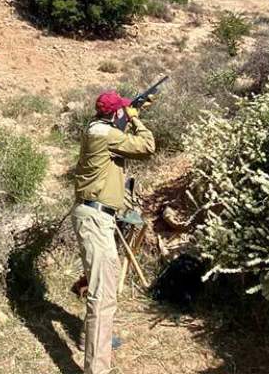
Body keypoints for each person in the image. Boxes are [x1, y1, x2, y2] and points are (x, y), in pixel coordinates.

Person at [72, 90, 156, 374]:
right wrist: (135, 120)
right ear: (114, 114)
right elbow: (147, 146)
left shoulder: (98, 129)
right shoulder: (105, 135)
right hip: (96, 218)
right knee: (104, 295)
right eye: (121, 110)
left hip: (94, 216)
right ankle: (97, 368)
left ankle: (92, 341)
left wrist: (131, 113)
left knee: (98, 286)